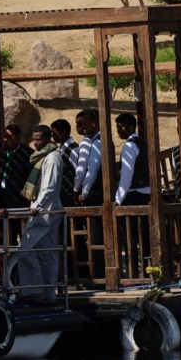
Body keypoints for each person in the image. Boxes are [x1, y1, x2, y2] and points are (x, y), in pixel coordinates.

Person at [11, 125, 62, 305]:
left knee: (26, 251)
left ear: (49, 138)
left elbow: (50, 186)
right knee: (46, 253)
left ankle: (35, 290)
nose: (35, 143)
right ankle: (47, 294)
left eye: (39, 139)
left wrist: (37, 205)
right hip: (43, 210)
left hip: (44, 211)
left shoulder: (52, 158)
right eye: (34, 139)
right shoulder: (43, 157)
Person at [74, 109, 104, 279]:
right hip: (94, 193)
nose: (82, 128)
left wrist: (82, 192)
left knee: (96, 236)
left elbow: (90, 171)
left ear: (94, 123)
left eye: (84, 124)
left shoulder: (96, 142)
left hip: (95, 194)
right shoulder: (93, 141)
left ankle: (99, 274)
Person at [0, 123, 33, 246]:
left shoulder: (28, 154)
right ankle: (8, 265)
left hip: (20, 202)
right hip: (3, 202)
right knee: (6, 240)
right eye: (4, 137)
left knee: (25, 238)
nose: (5, 140)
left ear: (18, 137)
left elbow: (31, 180)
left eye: (8, 137)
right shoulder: (2, 154)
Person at [113, 113, 150, 206]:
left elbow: (126, 176)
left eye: (121, 127)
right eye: (117, 127)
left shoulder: (129, 146)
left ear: (131, 127)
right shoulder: (143, 143)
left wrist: (118, 199)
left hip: (134, 195)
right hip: (147, 193)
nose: (118, 130)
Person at [51, 118, 80, 207]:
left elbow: (79, 174)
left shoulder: (74, 150)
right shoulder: (60, 150)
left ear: (63, 132)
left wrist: (76, 192)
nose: (52, 136)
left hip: (72, 198)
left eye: (54, 132)